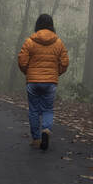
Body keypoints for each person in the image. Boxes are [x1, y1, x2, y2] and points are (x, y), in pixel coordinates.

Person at [17, 13, 69, 150]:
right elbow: (64, 62)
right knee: (47, 109)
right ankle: (46, 130)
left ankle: (36, 139)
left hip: (33, 81)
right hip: (50, 82)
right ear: (51, 25)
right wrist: (56, 73)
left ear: (37, 25)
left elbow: (22, 60)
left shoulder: (30, 41)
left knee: (34, 110)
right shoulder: (58, 43)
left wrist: (28, 73)